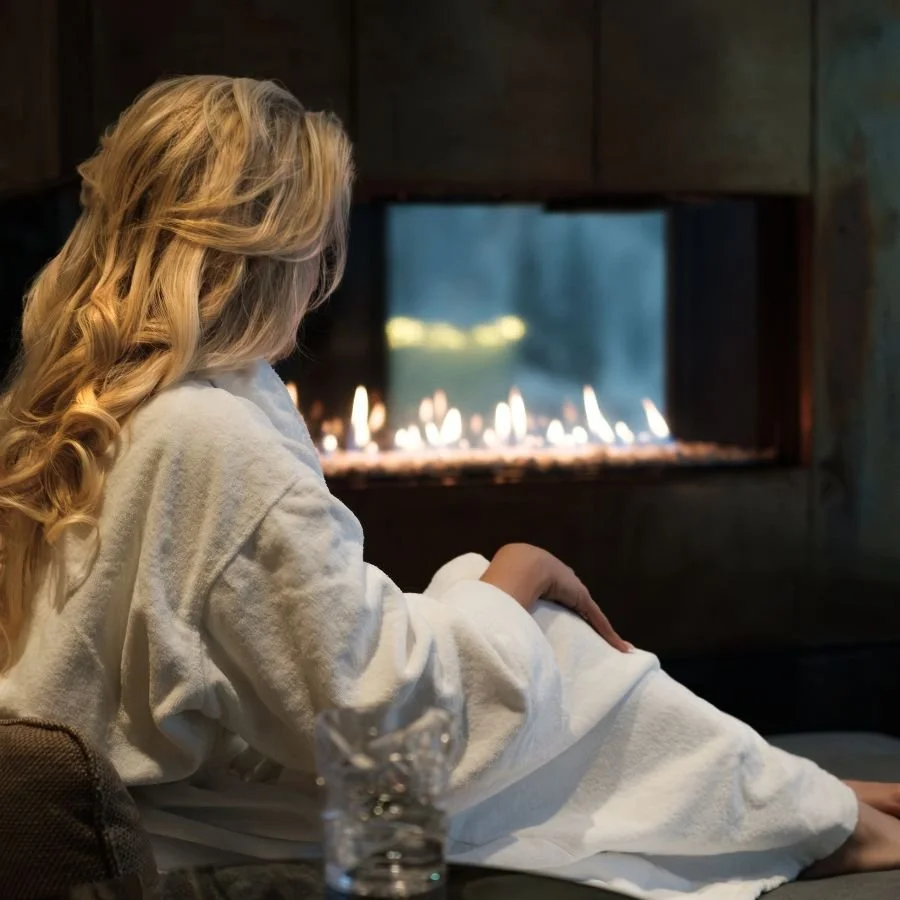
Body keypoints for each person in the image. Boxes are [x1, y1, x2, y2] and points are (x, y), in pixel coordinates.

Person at [0, 75, 899, 899]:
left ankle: (787, 798)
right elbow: (386, 717)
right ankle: (809, 817)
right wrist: (516, 573)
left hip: (170, 794)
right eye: (319, 245)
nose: (322, 281)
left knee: (516, 635)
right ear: (274, 250)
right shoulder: (205, 433)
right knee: (551, 642)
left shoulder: (75, 401)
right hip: (197, 836)